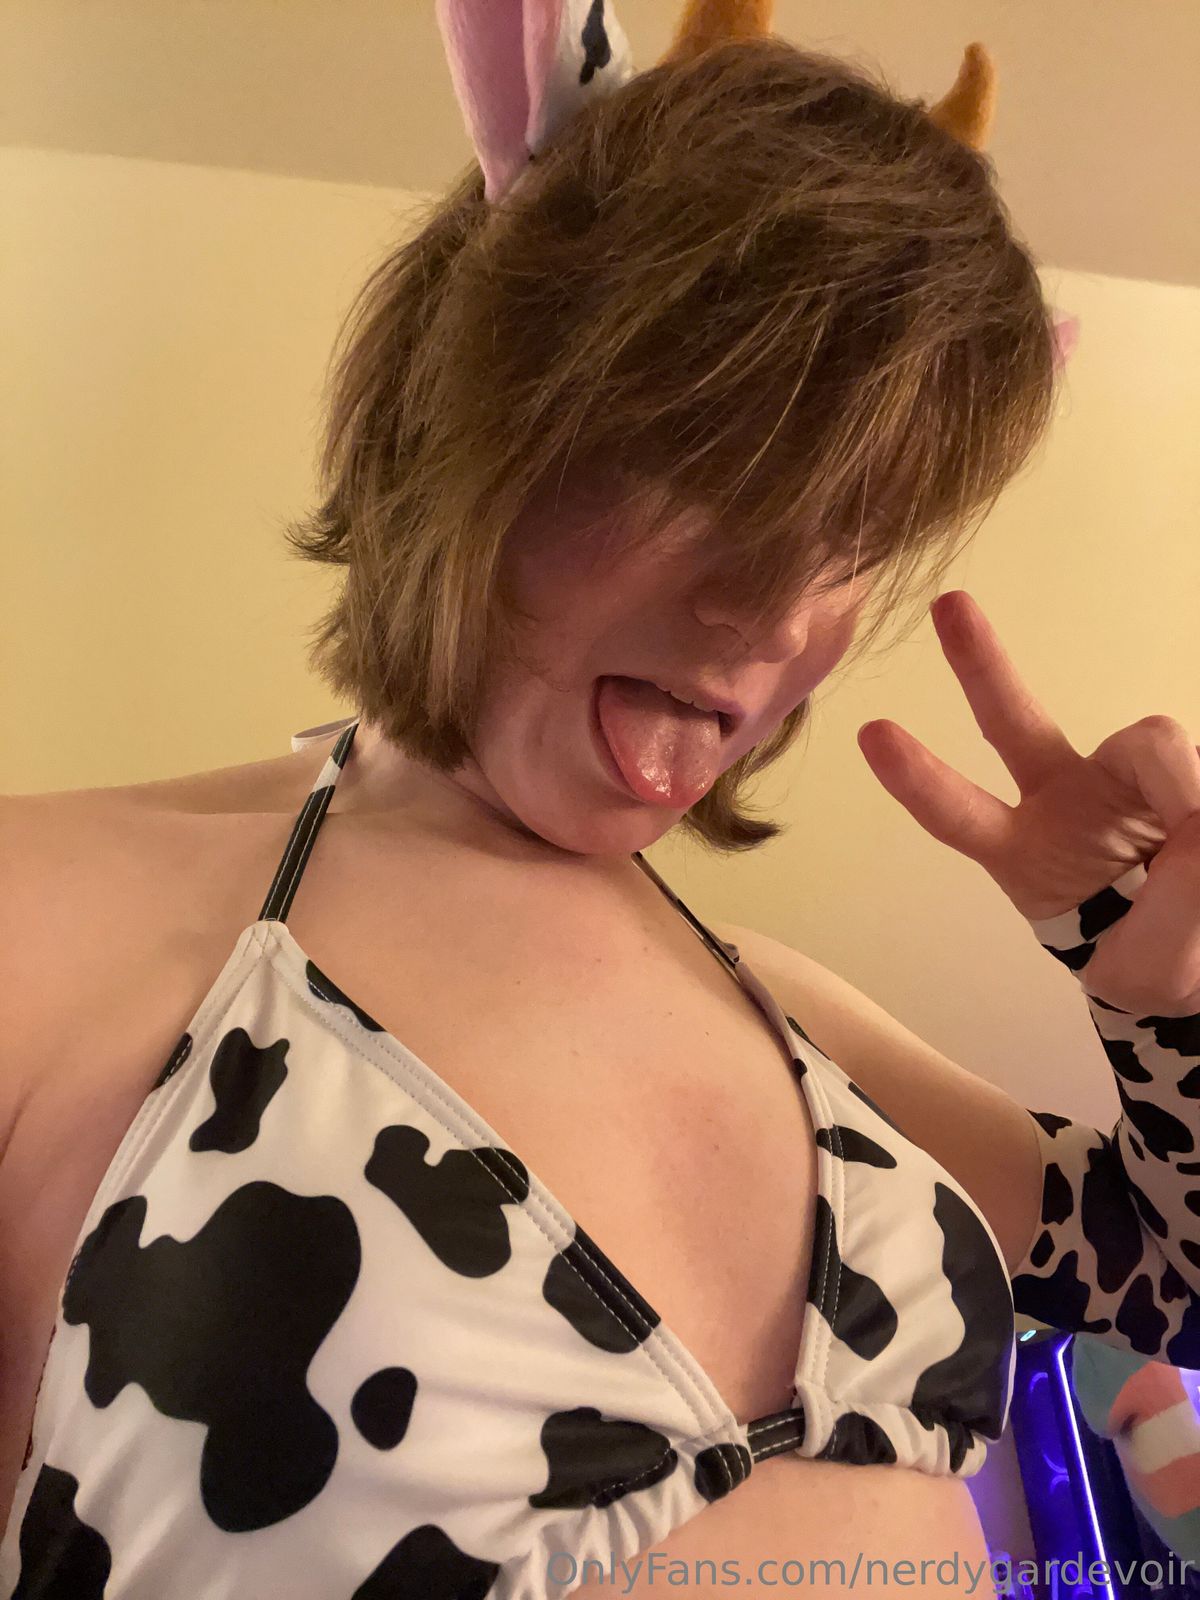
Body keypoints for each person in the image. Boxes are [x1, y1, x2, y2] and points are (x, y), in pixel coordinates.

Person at [2, 2, 1198, 1596]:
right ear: (461, 405)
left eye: (851, 533)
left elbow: (1172, 1280)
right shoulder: (47, 926)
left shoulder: (789, 1025)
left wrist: (1157, 1002)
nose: (776, 619)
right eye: (708, 467)